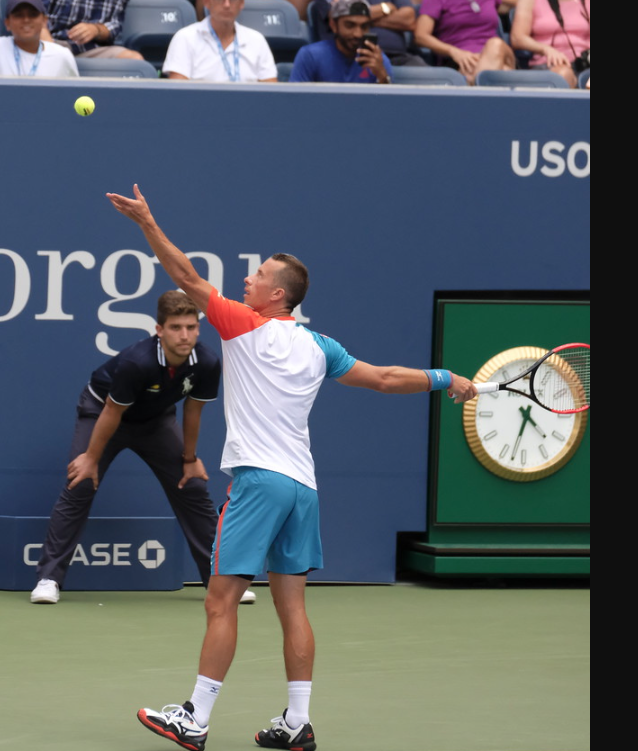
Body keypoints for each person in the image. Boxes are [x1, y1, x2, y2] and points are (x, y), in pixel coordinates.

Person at [105, 183, 477, 751]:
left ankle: (195, 718)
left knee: (220, 599)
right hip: (303, 488)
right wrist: (446, 378)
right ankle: (296, 722)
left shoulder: (243, 325)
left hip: (258, 482)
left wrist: (147, 223)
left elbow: (185, 277)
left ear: (276, 295)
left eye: (255, 275)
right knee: (292, 605)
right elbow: (382, 378)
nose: (246, 279)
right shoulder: (320, 345)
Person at [30, 291, 256, 607]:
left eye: (191, 327)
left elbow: (193, 410)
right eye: (176, 327)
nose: (185, 335)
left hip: (155, 421)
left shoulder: (206, 362)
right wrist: (91, 458)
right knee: (80, 483)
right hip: (103, 413)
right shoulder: (138, 362)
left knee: (191, 485)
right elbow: (112, 411)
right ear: (159, 330)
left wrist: (190, 460)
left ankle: (218, 581)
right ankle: (48, 579)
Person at [163, 0, 277, 82]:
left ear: (241, 3)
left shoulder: (257, 40)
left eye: (232, 0)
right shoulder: (185, 37)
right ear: (206, 2)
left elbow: (271, 95)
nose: (227, 5)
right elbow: (177, 95)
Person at [414, 0, 516, 85]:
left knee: (495, 44)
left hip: (498, 53)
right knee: (503, 71)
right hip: (460, 60)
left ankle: (474, 89)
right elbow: (420, 36)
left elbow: (524, 3)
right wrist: (453, 52)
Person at [290, 0, 393, 83]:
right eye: (349, 25)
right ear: (333, 25)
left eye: (364, 26)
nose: (358, 34)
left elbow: (387, 106)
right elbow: (296, 102)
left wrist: (383, 77)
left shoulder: (378, 60)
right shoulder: (310, 56)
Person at [312, 0, 427, 67]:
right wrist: (385, 8)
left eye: (363, 26)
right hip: (351, 57)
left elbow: (409, 20)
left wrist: (361, 18)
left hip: (399, 58)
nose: (359, 29)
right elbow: (337, 17)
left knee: (425, 75)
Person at [510, 0, 590, 88]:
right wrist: (545, 49)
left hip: (584, 62)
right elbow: (517, 38)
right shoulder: (530, 2)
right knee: (563, 75)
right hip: (549, 64)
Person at [39, 0, 145, 60]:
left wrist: (96, 30)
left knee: (134, 59)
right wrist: (50, 48)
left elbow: (114, 26)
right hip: (53, 41)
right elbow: (37, 17)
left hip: (91, 48)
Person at [1, 0, 79, 76]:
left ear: (44, 21)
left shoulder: (62, 56)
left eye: (33, 15)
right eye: (19, 15)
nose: (26, 20)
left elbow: (74, 88)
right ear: (7, 23)